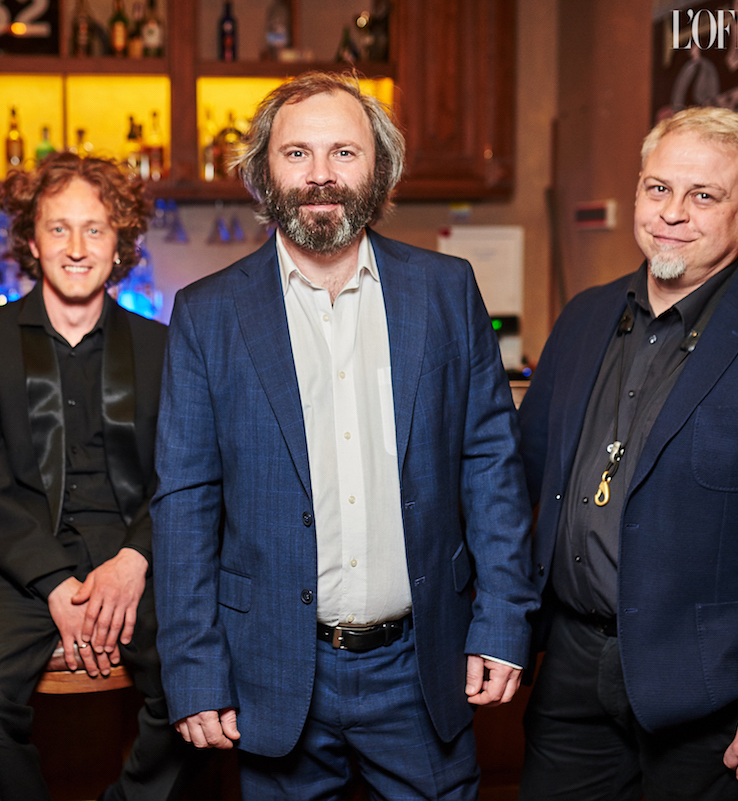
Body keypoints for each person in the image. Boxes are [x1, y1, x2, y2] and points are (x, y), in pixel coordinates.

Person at [152, 70, 538, 799]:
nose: (320, 175)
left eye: (344, 152)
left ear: (380, 168)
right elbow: (185, 504)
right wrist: (194, 669)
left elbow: (490, 463)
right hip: (273, 668)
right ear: (264, 172)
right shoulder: (207, 315)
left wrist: (503, 621)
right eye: (297, 153)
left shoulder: (446, 289)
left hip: (423, 662)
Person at [517, 106, 738, 800]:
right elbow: (521, 485)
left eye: (704, 196)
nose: (672, 213)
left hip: (715, 696)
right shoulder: (583, 317)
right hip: (570, 670)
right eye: (658, 188)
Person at [0, 152, 191, 801]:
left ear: (119, 243)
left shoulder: (164, 347)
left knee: (201, 686)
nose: (77, 248)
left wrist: (135, 559)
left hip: (135, 551)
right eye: (58, 228)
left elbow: (183, 474)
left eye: (94, 229)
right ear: (30, 240)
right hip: (15, 556)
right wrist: (52, 582)